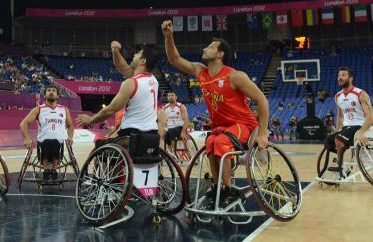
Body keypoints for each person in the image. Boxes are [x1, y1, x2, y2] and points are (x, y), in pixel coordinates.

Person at [161, 20, 269, 207]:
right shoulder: (200, 72)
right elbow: (174, 59)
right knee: (210, 142)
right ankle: (218, 185)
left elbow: (262, 100)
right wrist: (168, 36)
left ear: (220, 54)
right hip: (222, 127)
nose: (205, 48)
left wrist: (262, 134)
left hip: (243, 125)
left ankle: (227, 189)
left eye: (210, 47)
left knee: (219, 142)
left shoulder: (234, 76)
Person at [76, 44, 167, 145]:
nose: (134, 54)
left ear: (143, 61)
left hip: (131, 134)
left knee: (98, 144)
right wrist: (115, 51)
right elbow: (122, 67)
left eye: (138, 54)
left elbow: (110, 109)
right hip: (151, 134)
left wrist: (90, 120)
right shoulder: (153, 80)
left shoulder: (131, 83)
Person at [323, 67, 373, 178]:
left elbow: (371, 117)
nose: (339, 78)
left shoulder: (361, 94)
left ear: (350, 78)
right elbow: (341, 117)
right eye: (338, 75)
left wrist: (361, 132)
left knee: (339, 139)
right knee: (329, 140)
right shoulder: (338, 96)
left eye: (343, 75)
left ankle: (340, 166)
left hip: (361, 125)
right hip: (347, 128)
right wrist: (338, 130)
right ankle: (340, 160)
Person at [20, 85, 74, 181]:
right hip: (42, 145)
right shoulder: (39, 109)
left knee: (54, 142)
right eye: (49, 90)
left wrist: (70, 137)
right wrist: (27, 138)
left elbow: (70, 125)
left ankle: (53, 170)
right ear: (45, 95)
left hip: (60, 145)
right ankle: (47, 171)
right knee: (48, 142)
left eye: (54, 90)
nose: (51, 92)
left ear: (57, 96)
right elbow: (23, 123)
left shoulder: (64, 109)